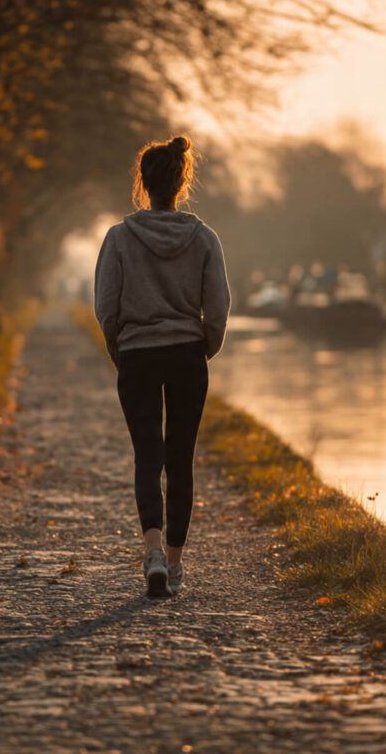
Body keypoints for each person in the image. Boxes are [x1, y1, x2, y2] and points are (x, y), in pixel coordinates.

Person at [93, 135, 231, 597]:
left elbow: (105, 305)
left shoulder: (118, 238)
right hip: (187, 354)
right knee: (180, 459)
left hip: (137, 355)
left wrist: (120, 347)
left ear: (143, 184)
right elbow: (218, 308)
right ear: (181, 182)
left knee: (147, 455)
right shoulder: (205, 238)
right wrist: (204, 347)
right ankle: (173, 564)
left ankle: (151, 551)